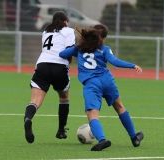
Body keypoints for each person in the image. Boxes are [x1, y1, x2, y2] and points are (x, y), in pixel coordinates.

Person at [59, 24, 144, 151]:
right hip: (107, 80)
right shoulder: (104, 49)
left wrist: (76, 51)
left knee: (92, 114)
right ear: (103, 38)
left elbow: (62, 53)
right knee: (119, 106)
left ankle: (102, 139)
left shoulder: (79, 48)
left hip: (91, 84)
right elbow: (114, 62)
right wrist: (132, 65)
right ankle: (134, 138)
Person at [23, 11, 75, 143]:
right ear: (65, 21)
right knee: (64, 97)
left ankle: (28, 119)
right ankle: (61, 130)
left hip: (42, 65)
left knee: (35, 100)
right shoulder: (69, 31)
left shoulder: (46, 31)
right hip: (59, 67)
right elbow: (69, 50)